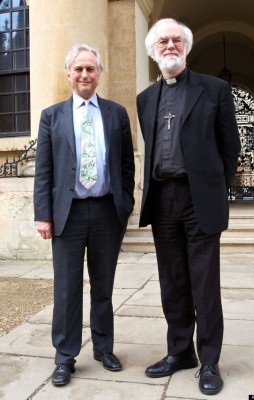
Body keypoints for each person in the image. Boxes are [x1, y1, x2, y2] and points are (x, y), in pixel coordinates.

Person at [137, 18, 240, 395]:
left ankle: (209, 360)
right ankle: (179, 352)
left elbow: (231, 148)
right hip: (163, 199)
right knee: (173, 282)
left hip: (199, 199)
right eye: (162, 41)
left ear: (186, 46)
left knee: (204, 283)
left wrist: (213, 187)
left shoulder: (214, 89)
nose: (170, 46)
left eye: (176, 40)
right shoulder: (145, 99)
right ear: (152, 50)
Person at [34, 44, 135, 386]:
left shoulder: (116, 113)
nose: (84, 75)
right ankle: (65, 357)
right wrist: (42, 215)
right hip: (68, 213)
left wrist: (126, 206)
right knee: (66, 288)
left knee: (103, 287)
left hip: (107, 211)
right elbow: (44, 172)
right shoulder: (52, 116)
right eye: (78, 69)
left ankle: (104, 348)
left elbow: (126, 165)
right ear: (69, 74)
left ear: (99, 74)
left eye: (90, 69)